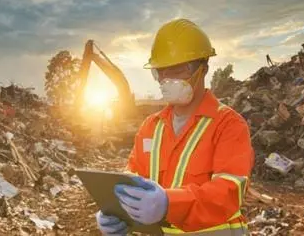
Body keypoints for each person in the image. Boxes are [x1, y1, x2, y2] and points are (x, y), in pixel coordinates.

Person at [95, 18, 254, 236]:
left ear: (203, 69)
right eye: (160, 71)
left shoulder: (228, 125)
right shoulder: (150, 127)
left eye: (177, 70)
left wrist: (169, 203)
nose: (166, 79)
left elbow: (228, 193)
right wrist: (116, 212)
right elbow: (129, 180)